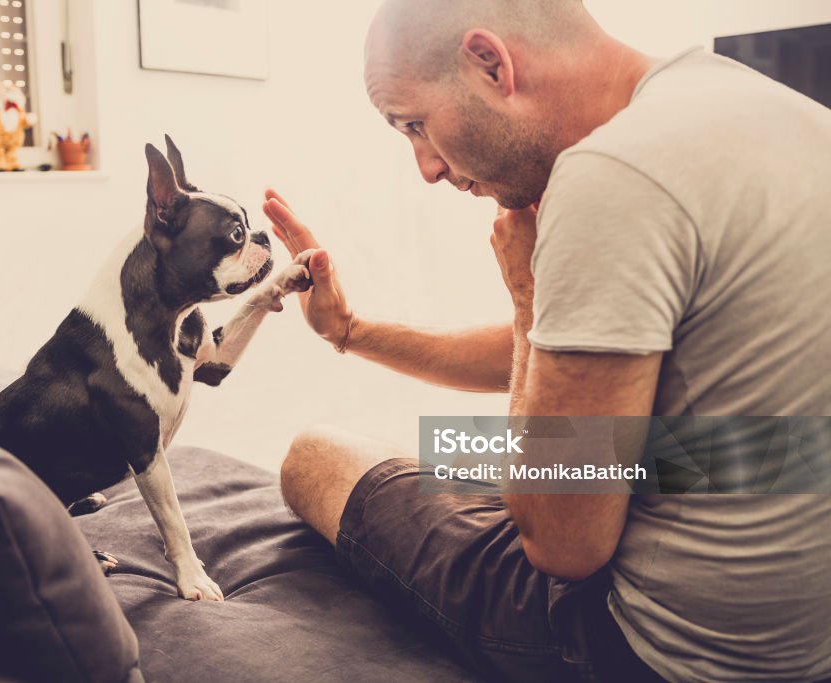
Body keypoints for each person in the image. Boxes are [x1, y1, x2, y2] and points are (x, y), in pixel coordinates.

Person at [264, 0, 831, 681]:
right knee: (456, 449)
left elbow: (561, 544)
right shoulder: (780, 111)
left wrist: (528, 296)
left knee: (316, 452)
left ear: (490, 63)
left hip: (654, 649)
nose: (426, 167)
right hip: (793, 589)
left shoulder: (613, 174)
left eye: (415, 124)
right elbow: (587, 353)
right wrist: (351, 332)